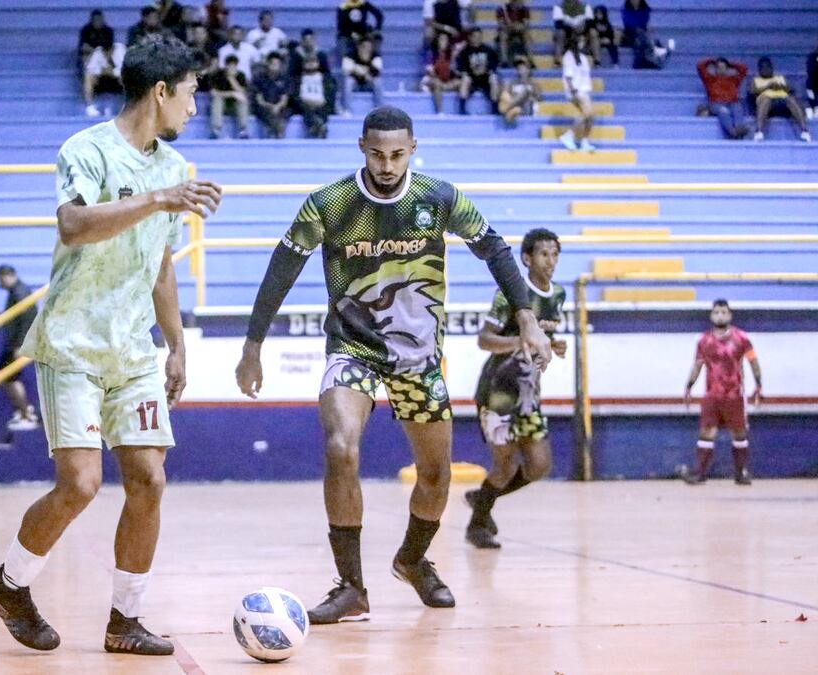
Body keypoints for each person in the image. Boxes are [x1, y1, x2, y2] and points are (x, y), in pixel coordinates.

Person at [234, 106, 552, 623]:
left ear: (413, 149)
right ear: (362, 147)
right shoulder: (329, 203)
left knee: (435, 474)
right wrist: (253, 346)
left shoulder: (439, 197)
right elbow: (281, 269)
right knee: (341, 447)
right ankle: (351, 587)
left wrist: (527, 316)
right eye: (377, 154)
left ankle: (411, 559)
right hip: (352, 347)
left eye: (397, 154)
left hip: (420, 358)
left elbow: (494, 249)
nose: (387, 165)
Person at [0, 36, 224, 656]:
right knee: (81, 485)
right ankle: (11, 585)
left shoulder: (173, 168)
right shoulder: (86, 149)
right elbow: (74, 224)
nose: (195, 108)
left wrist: (175, 345)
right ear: (162, 90)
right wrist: (157, 199)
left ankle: (125, 620)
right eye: (193, 93)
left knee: (149, 479)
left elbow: (162, 266)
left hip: (134, 351)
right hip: (72, 342)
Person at [464, 228, 566, 549]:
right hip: (498, 391)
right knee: (505, 464)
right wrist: (520, 341)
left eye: (554, 254)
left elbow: (542, 340)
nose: (550, 261)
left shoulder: (559, 295)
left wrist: (553, 345)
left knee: (539, 464)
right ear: (526, 258)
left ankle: (481, 499)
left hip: (528, 395)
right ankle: (478, 522)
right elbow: (484, 339)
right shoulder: (511, 293)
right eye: (543, 254)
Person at [681, 300, 761, 486]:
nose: (720, 316)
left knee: (739, 434)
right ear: (711, 316)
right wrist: (689, 385)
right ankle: (699, 473)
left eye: (724, 312)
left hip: (734, 395)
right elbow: (697, 365)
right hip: (712, 395)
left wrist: (759, 383)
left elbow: (753, 362)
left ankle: (741, 473)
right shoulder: (704, 341)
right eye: (716, 312)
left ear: (730, 315)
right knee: (706, 433)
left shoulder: (742, 338)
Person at [0, 265, 39, 432]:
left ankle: (27, 414)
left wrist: (21, 344)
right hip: (15, 343)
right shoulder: (17, 291)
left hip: (17, 343)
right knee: (7, 376)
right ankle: (24, 412)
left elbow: (27, 319)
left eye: (0, 278)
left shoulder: (20, 292)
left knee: (10, 377)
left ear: (7, 276)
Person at [749, 57, 811, 142]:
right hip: (767, 103)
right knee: (767, 99)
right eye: (763, 67)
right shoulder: (755, 80)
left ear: (771, 68)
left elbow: (791, 89)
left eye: (768, 67)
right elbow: (752, 91)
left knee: (790, 99)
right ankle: (759, 131)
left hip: (782, 101)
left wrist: (781, 87)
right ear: (759, 69)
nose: (765, 69)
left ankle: (805, 131)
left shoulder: (780, 78)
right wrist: (768, 87)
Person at [81, 11, 125, 118]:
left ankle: (127, 106)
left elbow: (127, 70)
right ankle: (90, 107)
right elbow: (90, 70)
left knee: (127, 78)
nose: (106, 53)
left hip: (118, 80)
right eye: (105, 51)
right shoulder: (98, 51)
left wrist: (112, 72)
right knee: (88, 78)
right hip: (103, 80)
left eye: (108, 51)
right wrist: (104, 72)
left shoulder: (121, 49)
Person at [559, 32, 597, 152]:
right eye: (581, 41)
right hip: (576, 90)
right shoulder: (568, 56)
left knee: (590, 116)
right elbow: (568, 76)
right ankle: (568, 135)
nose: (583, 43)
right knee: (587, 112)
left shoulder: (583, 57)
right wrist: (573, 90)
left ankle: (584, 141)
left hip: (584, 89)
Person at [697, 57, 751, 140]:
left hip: (732, 103)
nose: (721, 69)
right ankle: (733, 132)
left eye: (723, 67)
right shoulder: (709, 79)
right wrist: (712, 61)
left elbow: (744, 69)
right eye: (719, 67)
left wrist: (731, 64)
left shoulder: (733, 79)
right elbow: (700, 66)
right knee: (723, 111)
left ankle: (738, 128)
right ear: (715, 68)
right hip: (716, 103)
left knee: (738, 109)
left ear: (727, 68)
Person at [456, 27, 501, 115]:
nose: (477, 39)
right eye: (475, 36)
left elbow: (494, 65)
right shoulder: (464, 52)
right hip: (472, 78)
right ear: (470, 37)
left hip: (485, 77)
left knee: (494, 78)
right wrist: (471, 72)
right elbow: (462, 68)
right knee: (465, 79)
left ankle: (495, 108)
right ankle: (462, 108)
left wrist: (486, 70)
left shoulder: (488, 50)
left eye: (479, 36)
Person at [210, 54, 251, 139]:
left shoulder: (241, 75)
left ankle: (243, 129)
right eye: (229, 65)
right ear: (225, 65)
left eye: (233, 66)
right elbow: (213, 93)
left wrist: (231, 78)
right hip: (222, 106)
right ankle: (216, 129)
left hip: (235, 107)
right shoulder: (218, 75)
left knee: (242, 101)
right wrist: (232, 94)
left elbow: (242, 93)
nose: (231, 68)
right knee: (217, 100)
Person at [621, 0, 671, 70]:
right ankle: (657, 50)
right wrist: (639, 28)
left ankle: (641, 61)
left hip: (642, 33)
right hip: (629, 33)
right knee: (641, 38)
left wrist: (642, 28)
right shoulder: (626, 10)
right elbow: (628, 22)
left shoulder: (645, 10)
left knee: (642, 38)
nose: (634, 1)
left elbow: (644, 21)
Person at [253, 53, 292, 139]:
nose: (275, 66)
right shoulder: (259, 78)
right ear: (267, 64)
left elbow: (284, 99)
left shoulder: (284, 78)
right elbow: (260, 100)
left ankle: (277, 130)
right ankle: (277, 130)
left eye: (278, 64)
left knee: (286, 111)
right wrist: (271, 107)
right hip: (264, 106)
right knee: (266, 112)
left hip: (279, 107)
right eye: (273, 64)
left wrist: (277, 106)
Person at [296, 55, 336, 138]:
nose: (310, 64)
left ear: (318, 63)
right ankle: (318, 126)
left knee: (325, 109)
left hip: (322, 104)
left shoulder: (326, 78)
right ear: (303, 64)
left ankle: (317, 126)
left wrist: (322, 102)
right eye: (307, 62)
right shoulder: (297, 79)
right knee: (306, 110)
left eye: (313, 61)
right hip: (305, 105)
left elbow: (330, 95)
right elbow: (295, 95)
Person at [421, 32, 461, 115]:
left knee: (460, 82)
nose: (444, 42)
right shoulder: (431, 54)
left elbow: (454, 72)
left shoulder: (451, 54)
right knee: (436, 83)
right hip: (432, 79)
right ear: (437, 41)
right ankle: (440, 111)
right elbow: (430, 72)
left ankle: (461, 111)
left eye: (446, 39)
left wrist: (453, 58)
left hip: (446, 81)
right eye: (442, 39)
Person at [342, 38, 385, 110]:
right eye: (364, 47)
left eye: (369, 47)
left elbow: (378, 70)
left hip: (369, 83)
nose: (367, 49)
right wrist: (362, 71)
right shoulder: (350, 54)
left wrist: (360, 69)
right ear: (359, 47)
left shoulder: (375, 55)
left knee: (378, 81)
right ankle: (346, 109)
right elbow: (346, 70)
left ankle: (378, 107)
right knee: (348, 81)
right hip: (355, 84)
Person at [498, 57, 542, 125]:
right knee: (504, 92)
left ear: (528, 69)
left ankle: (506, 109)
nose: (520, 69)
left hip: (527, 108)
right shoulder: (512, 83)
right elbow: (506, 96)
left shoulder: (534, 83)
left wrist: (529, 96)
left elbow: (539, 98)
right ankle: (510, 110)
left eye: (523, 67)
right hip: (516, 108)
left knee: (526, 91)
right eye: (519, 68)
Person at [553, 0, 598, 66]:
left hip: (582, 33)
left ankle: (597, 61)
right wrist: (573, 30)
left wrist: (580, 31)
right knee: (560, 32)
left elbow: (590, 23)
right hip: (567, 34)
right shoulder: (559, 7)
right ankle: (557, 60)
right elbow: (558, 24)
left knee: (593, 32)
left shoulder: (586, 7)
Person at [495, 0, 531, 67]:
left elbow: (526, 25)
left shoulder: (525, 9)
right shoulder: (502, 9)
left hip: (520, 32)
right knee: (503, 35)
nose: (522, 2)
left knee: (527, 35)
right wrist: (512, 26)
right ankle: (504, 61)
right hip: (507, 31)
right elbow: (501, 25)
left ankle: (530, 60)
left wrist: (516, 26)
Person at [807, 37, 818, 120]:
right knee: (809, 84)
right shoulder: (813, 56)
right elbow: (811, 71)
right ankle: (815, 106)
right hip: (815, 83)